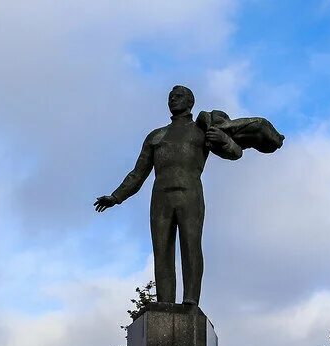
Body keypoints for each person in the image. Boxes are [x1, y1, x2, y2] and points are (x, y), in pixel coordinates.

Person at [95, 86, 242, 306]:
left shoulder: (202, 130)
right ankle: (165, 303)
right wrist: (115, 197)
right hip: (160, 197)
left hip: (190, 194)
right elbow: (138, 174)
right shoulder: (156, 136)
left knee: (190, 246)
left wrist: (224, 139)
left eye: (178, 96)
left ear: (190, 102)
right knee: (161, 251)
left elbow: (235, 153)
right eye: (170, 97)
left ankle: (191, 298)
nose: (173, 99)